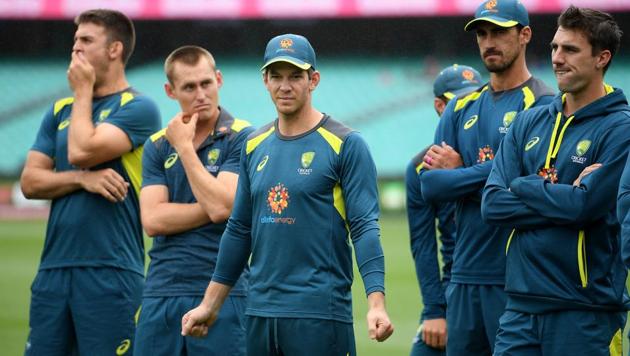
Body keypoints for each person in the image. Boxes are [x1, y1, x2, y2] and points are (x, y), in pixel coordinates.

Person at [180, 33, 394, 355]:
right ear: (264, 80)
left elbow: (364, 227)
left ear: (314, 80)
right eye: (276, 76)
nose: (285, 86)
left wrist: (376, 303)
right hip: (260, 313)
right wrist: (210, 305)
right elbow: (239, 229)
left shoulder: (346, 144)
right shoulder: (253, 144)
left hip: (319, 314)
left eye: (296, 76)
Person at [483, 6, 629, 355]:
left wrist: (524, 184)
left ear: (602, 57)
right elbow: (492, 204)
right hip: (519, 309)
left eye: (571, 50)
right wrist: (564, 196)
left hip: (585, 312)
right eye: (554, 48)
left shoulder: (620, 128)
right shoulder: (528, 122)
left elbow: (585, 207)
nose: (557, 58)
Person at [19, 9, 161, 356]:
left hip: (110, 270)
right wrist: (82, 180)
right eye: (75, 40)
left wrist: (83, 92)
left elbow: (83, 150)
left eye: (86, 40)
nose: (75, 49)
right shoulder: (58, 112)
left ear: (114, 49)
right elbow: (30, 182)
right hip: (53, 270)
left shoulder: (140, 107)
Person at [418, 0, 555, 354]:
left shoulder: (542, 105)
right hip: (463, 278)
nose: (488, 41)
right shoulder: (460, 107)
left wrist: (461, 172)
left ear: (524, 35)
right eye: (482, 33)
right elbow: (431, 185)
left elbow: (532, 185)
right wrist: (501, 173)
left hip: (517, 279)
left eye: (499, 32)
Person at [134, 46, 254, 356]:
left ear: (219, 80)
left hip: (224, 290)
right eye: (189, 87)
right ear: (170, 91)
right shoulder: (157, 145)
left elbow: (221, 207)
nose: (200, 94)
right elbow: (153, 221)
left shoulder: (242, 137)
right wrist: (220, 204)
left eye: (206, 83)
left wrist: (185, 149)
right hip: (161, 290)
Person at [406, 64, 482, 355]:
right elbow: (423, 246)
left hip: (503, 285)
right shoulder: (419, 169)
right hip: (454, 289)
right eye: (458, 102)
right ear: (440, 106)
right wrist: (434, 311)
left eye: (475, 101)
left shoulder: (499, 155)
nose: (468, 109)